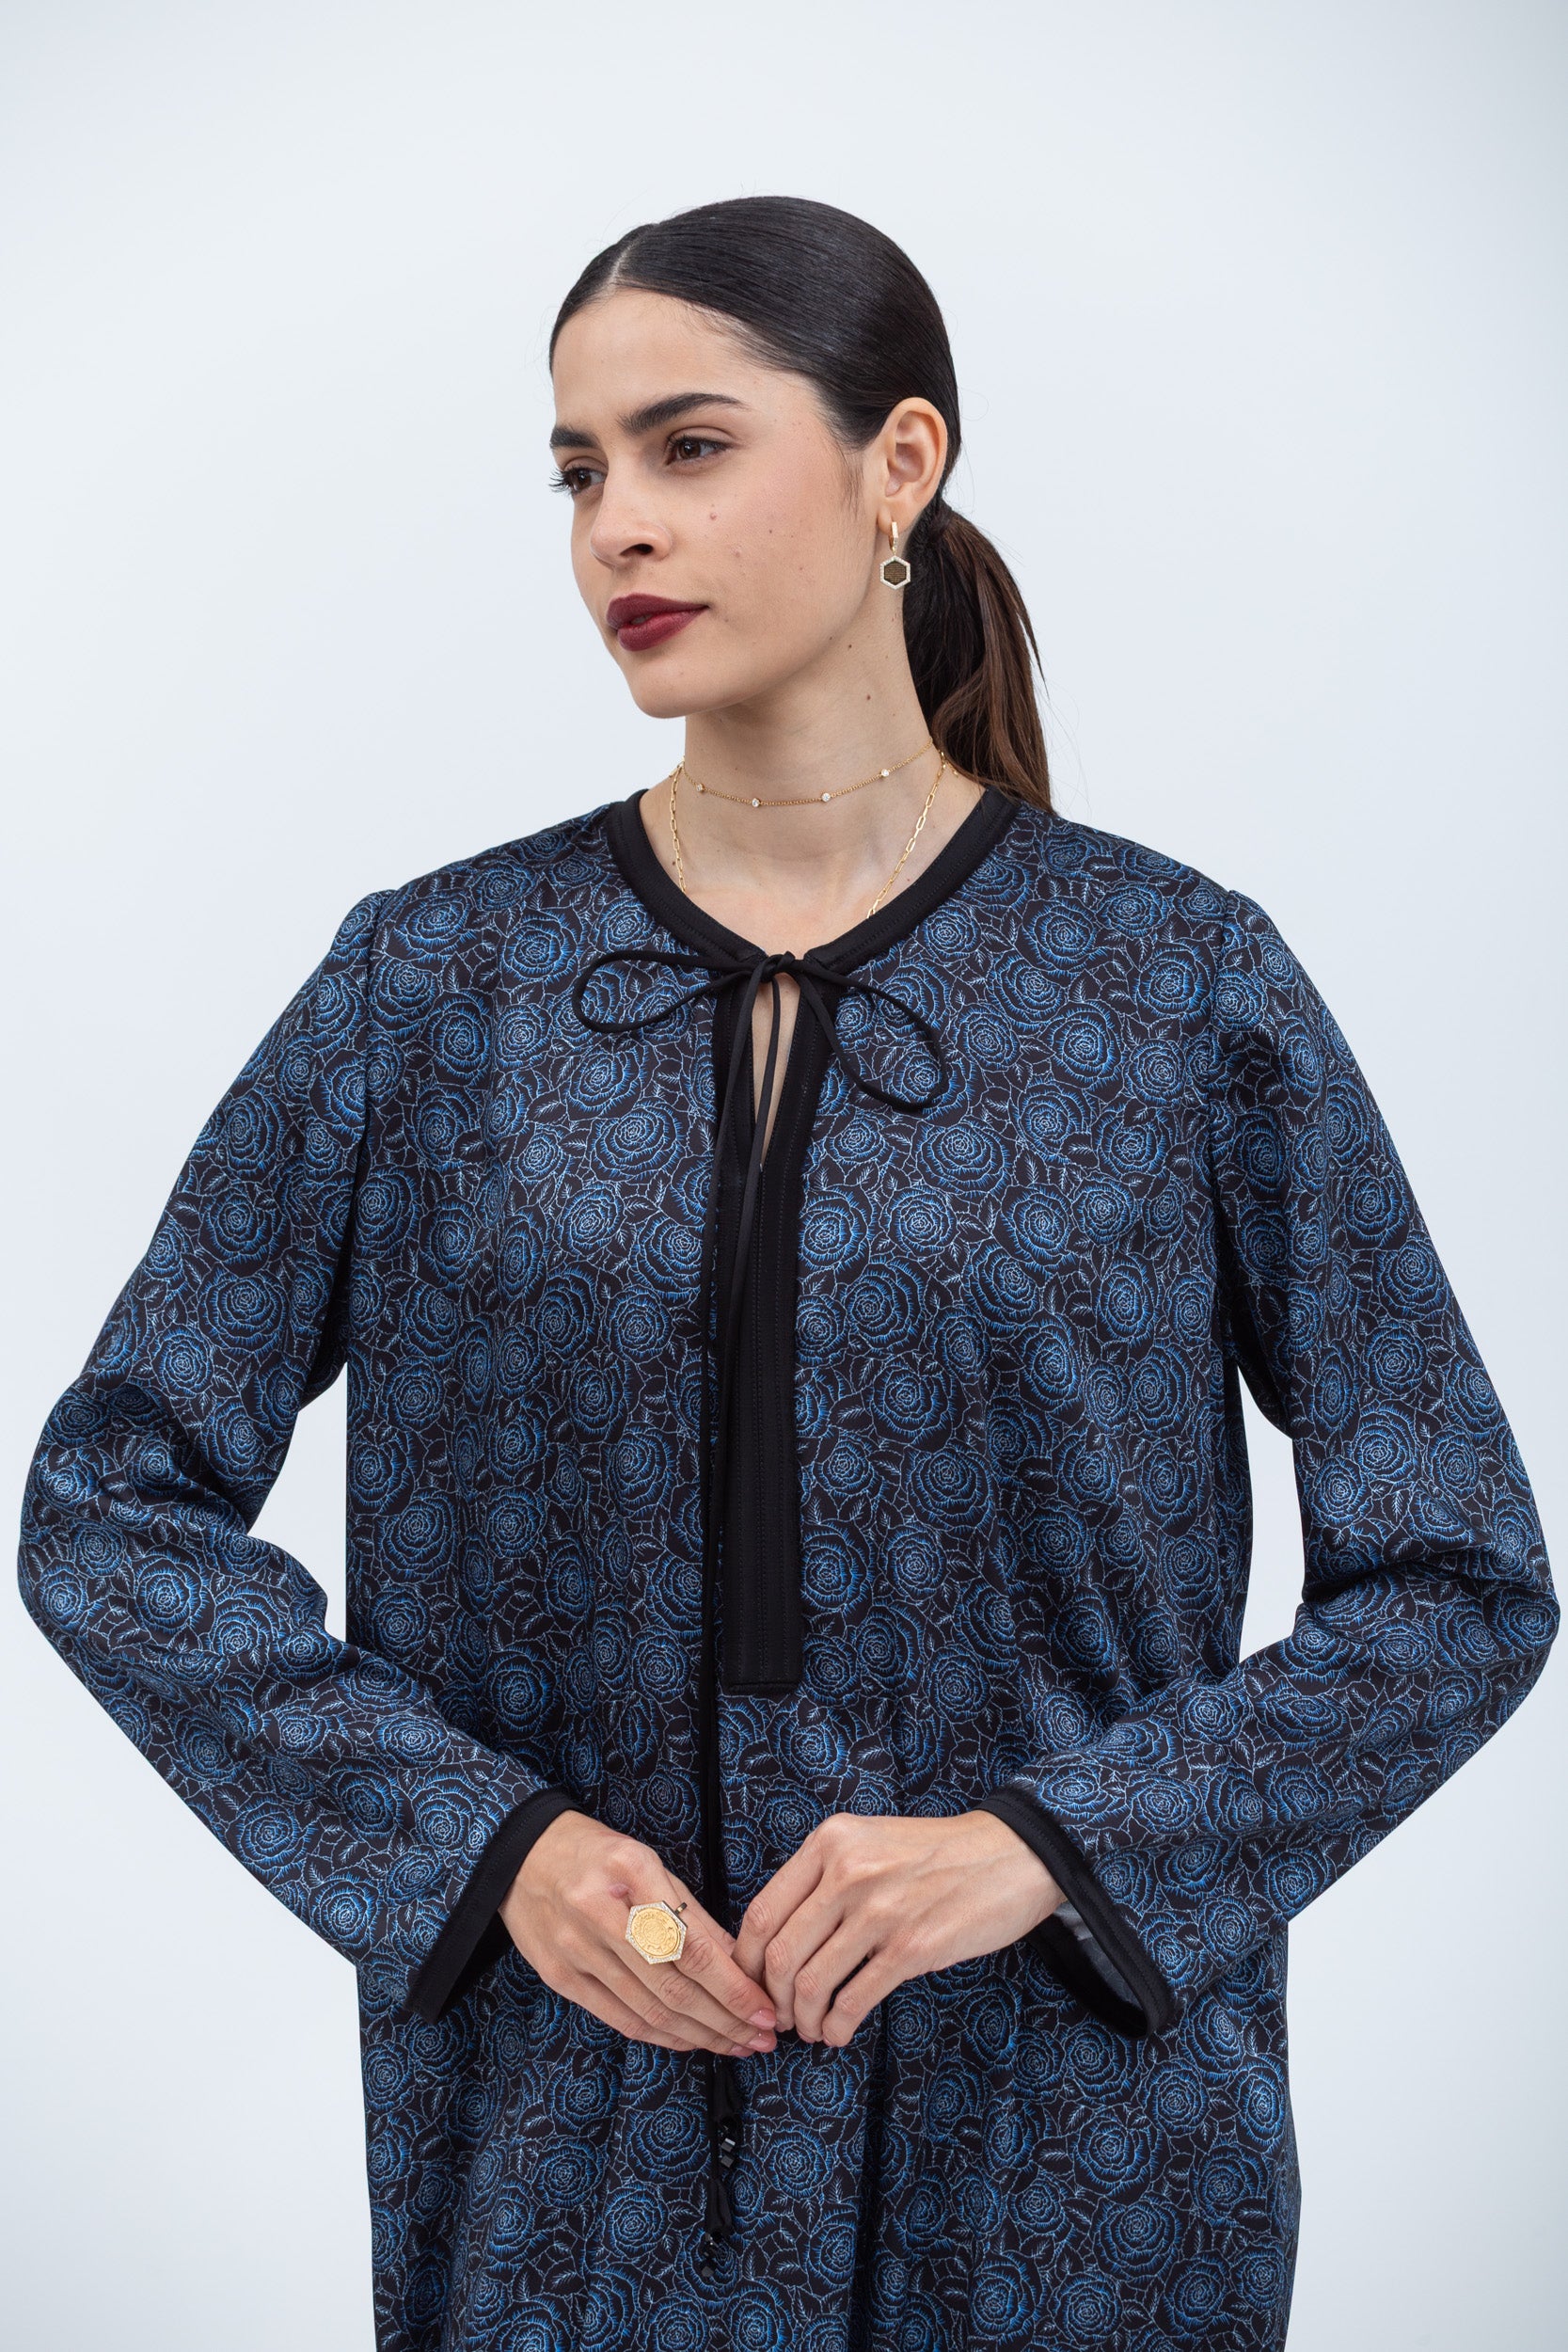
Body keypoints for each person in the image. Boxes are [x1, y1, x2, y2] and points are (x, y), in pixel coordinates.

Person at [19, 194, 1555, 2352]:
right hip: (567, 2150)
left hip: (1070, 2154)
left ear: (899, 461)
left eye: (690, 445)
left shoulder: (1176, 987)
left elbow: (1459, 1574)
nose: (618, 527)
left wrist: (1058, 1843)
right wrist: (484, 1846)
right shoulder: (434, 989)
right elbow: (111, 1501)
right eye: (580, 470)